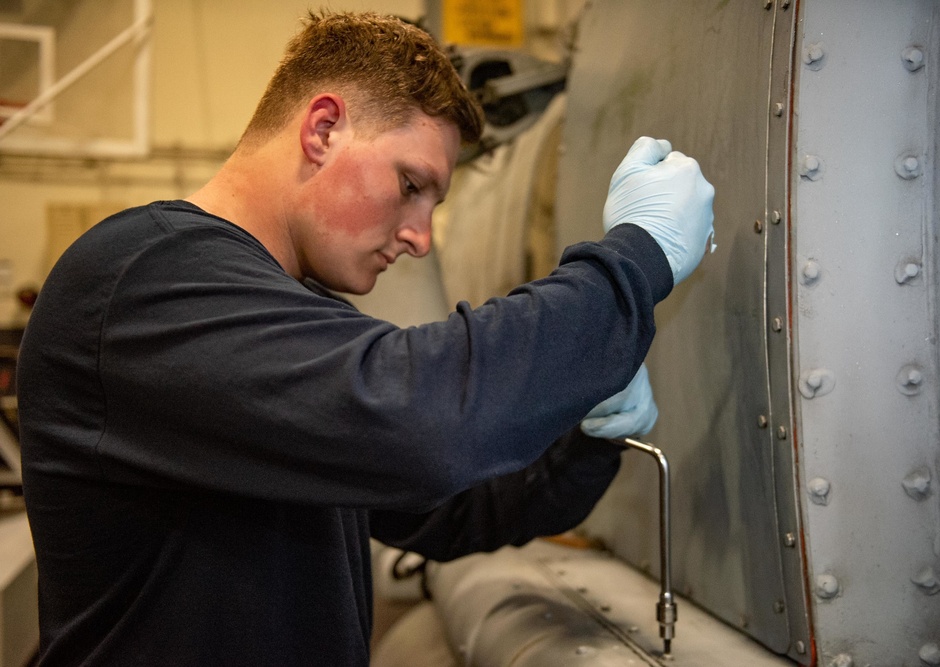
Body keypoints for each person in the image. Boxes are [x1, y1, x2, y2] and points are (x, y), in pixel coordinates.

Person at [17, 10, 714, 666]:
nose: (418, 237)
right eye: (410, 183)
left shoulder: (283, 311)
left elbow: (460, 507)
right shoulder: (144, 277)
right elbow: (417, 418)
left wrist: (586, 432)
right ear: (322, 129)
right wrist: (632, 261)